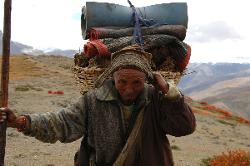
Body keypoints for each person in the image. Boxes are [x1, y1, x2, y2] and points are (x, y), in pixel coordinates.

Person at [0, 45, 196, 166]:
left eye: (136, 82)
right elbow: (62, 123)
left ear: (146, 79)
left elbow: (185, 128)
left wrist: (170, 93)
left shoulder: (156, 99)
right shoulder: (93, 101)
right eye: (122, 82)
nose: (129, 89)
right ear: (113, 77)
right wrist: (20, 121)